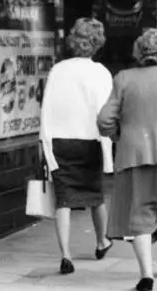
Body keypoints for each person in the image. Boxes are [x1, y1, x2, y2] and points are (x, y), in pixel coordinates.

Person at [97, 27, 157, 291]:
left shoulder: (124, 78)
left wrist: (118, 134)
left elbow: (104, 119)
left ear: (139, 52)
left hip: (135, 156)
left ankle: (146, 275)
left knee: (141, 215)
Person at [40, 17, 115, 274]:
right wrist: (108, 154)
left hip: (60, 141)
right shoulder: (101, 73)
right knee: (95, 195)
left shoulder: (58, 70)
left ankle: (66, 255)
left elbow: (46, 108)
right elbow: (105, 114)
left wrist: (46, 144)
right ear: (96, 44)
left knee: (63, 200)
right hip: (89, 141)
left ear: (74, 40)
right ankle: (102, 240)